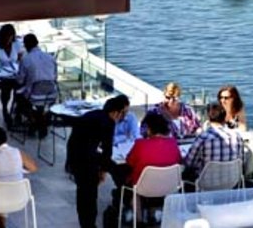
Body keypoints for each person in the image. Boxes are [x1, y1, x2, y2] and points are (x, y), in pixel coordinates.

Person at [66, 96, 128, 228]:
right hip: (85, 158)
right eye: (123, 113)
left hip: (75, 154)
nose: (123, 116)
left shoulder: (92, 115)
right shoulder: (108, 122)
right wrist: (103, 171)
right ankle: (89, 224)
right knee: (89, 193)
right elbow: (107, 149)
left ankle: (85, 223)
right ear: (116, 112)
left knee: (83, 192)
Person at [0, 127, 37, 228]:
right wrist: (18, 169)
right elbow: (34, 168)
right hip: (20, 199)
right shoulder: (18, 152)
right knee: (2, 190)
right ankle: (1, 223)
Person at [183, 102, 243, 190]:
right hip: (231, 182)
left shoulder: (203, 137)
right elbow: (241, 160)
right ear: (225, 117)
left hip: (206, 184)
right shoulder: (237, 136)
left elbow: (189, 162)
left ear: (208, 117)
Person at [15, 33, 57, 138]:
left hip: (34, 94)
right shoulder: (50, 57)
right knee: (38, 102)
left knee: (18, 97)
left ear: (26, 46)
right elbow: (55, 76)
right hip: (51, 94)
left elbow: (20, 80)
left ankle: (35, 120)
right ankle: (40, 120)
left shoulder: (26, 59)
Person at [126, 113, 182, 185]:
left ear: (149, 129)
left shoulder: (140, 144)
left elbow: (129, 162)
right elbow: (179, 160)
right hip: (168, 186)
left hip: (143, 187)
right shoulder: (173, 143)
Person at [0, 24, 23, 127]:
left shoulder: (16, 44)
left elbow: (20, 59)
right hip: (2, 75)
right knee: (7, 87)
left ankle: (17, 110)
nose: (9, 39)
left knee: (21, 86)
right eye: (7, 37)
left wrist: (16, 67)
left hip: (14, 73)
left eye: (11, 36)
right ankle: (5, 109)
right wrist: (4, 71)